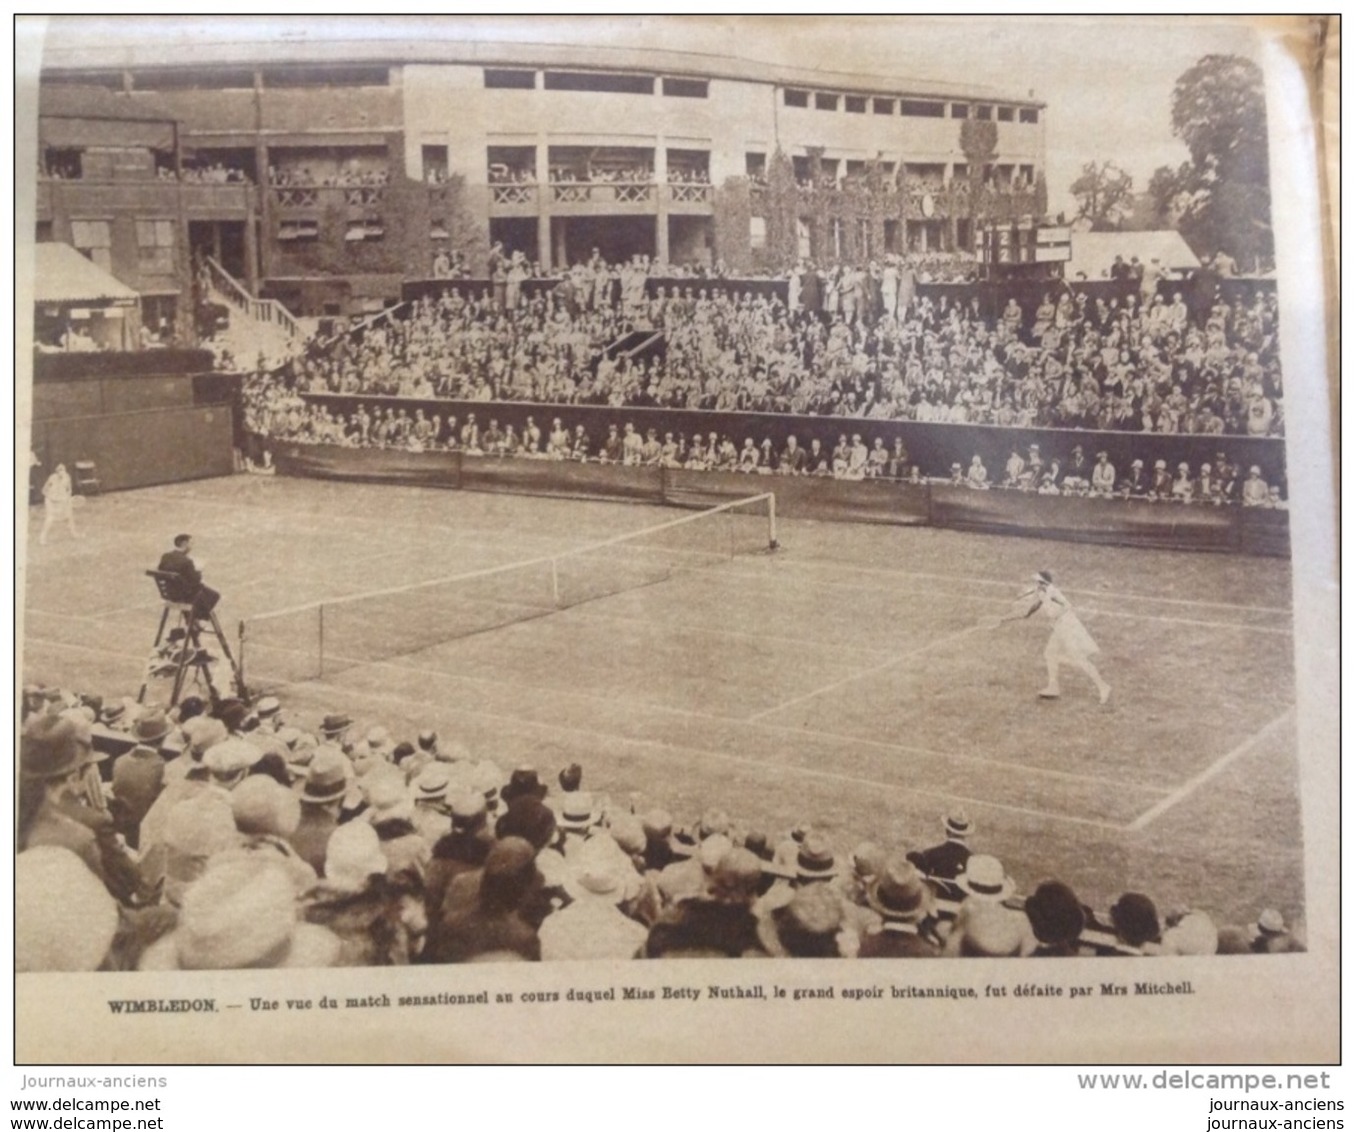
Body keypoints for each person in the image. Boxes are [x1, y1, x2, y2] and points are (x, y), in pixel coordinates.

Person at [996, 570, 1111, 704]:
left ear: (1043, 582)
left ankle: (1103, 687)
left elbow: (1067, 606)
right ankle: (1053, 687)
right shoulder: (1041, 593)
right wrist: (1005, 619)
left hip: (1068, 626)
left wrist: (1057, 615)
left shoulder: (1052, 592)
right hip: (1059, 627)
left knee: (1078, 658)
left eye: (1038, 582)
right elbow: (1029, 611)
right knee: (1050, 654)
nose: (1036, 584)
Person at [156, 533, 220, 622]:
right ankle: (195, 620)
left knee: (201, 594)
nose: (191, 547)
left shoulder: (165, 557)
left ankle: (193, 621)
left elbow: (161, 570)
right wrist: (199, 571)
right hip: (184, 595)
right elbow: (195, 581)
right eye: (191, 544)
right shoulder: (186, 561)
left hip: (169, 593)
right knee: (214, 595)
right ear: (184, 544)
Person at [39, 464, 78, 545]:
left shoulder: (67, 477)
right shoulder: (52, 478)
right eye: (59, 471)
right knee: (50, 518)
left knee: (69, 516)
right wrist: (51, 497)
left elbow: (69, 490)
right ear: (56, 472)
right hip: (50, 501)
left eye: (63, 470)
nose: (61, 472)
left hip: (62, 500)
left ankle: (74, 534)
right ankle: (42, 538)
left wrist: (67, 497)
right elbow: (43, 490)